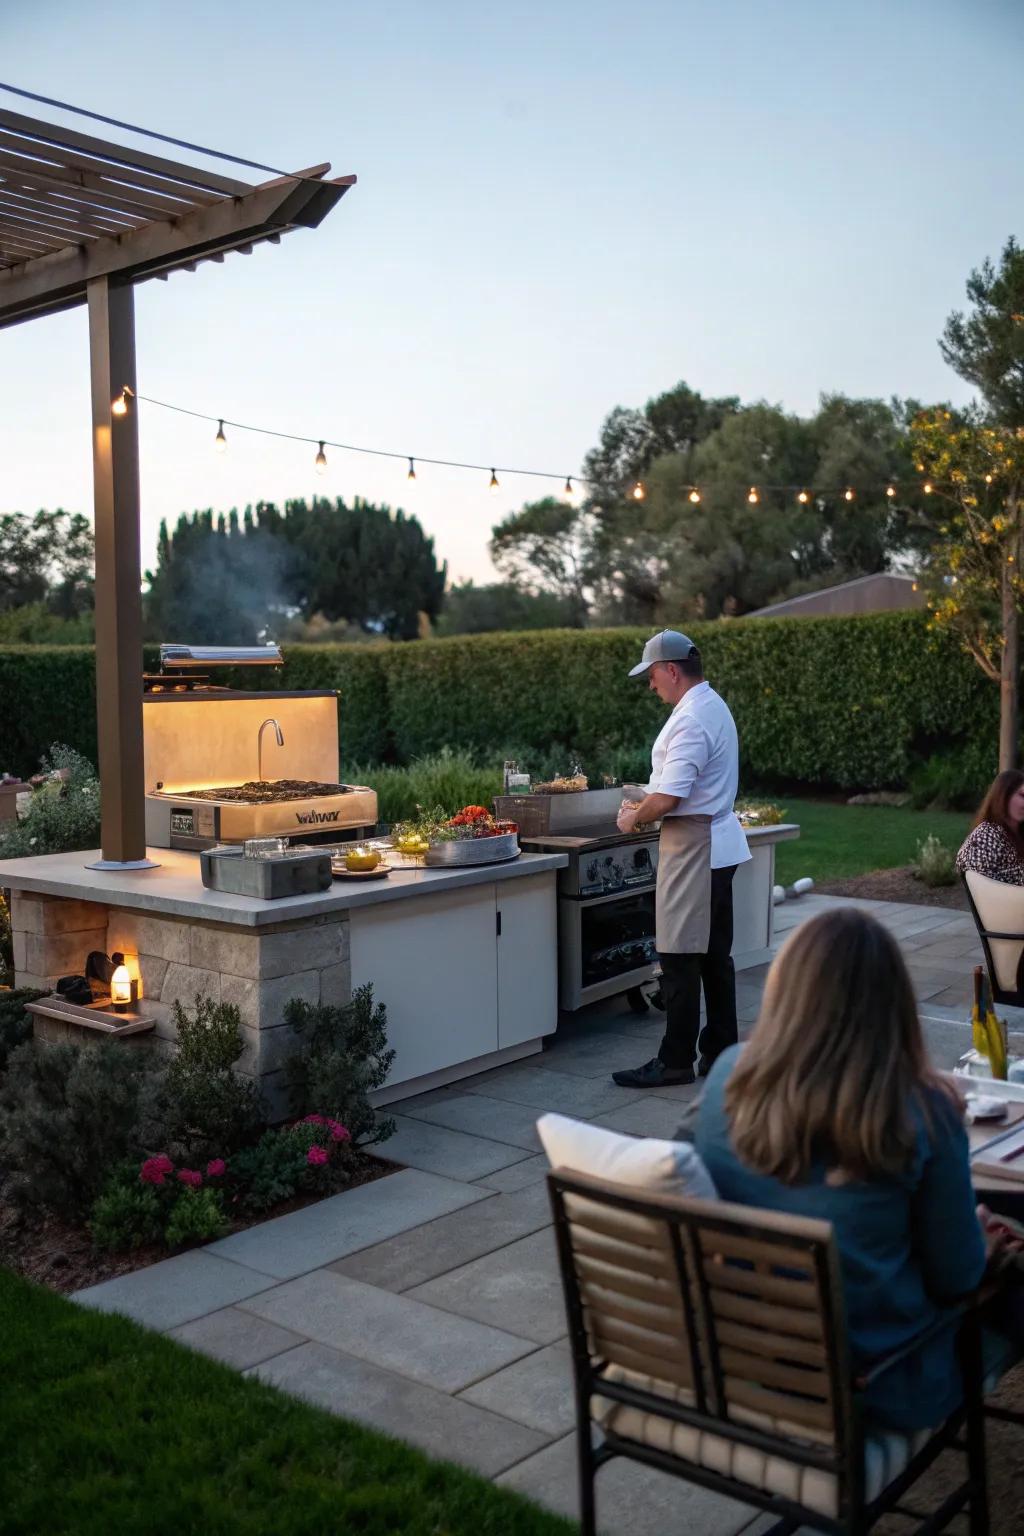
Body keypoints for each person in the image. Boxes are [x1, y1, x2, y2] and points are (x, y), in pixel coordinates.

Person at [694, 906, 995, 1432]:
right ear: (892, 1003)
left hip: (745, 1364)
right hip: (873, 1383)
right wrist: (985, 1245)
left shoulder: (726, 1077)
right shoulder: (921, 1111)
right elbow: (957, 1280)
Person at [612, 630, 750, 1089]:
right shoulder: (713, 705)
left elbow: (671, 796)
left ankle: (674, 1061)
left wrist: (634, 817)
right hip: (714, 843)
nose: (651, 684)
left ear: (672, 670)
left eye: (652, 675)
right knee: (713, 957)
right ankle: (720, 1053)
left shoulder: (691, 718)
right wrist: (646, 798)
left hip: (695, 846)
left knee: (679, 956)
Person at [956, 769, 1024, 885]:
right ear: (1003, 796)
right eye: (1022, 795)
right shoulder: (985, 836)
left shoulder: (1019, 833)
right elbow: (981, 887)